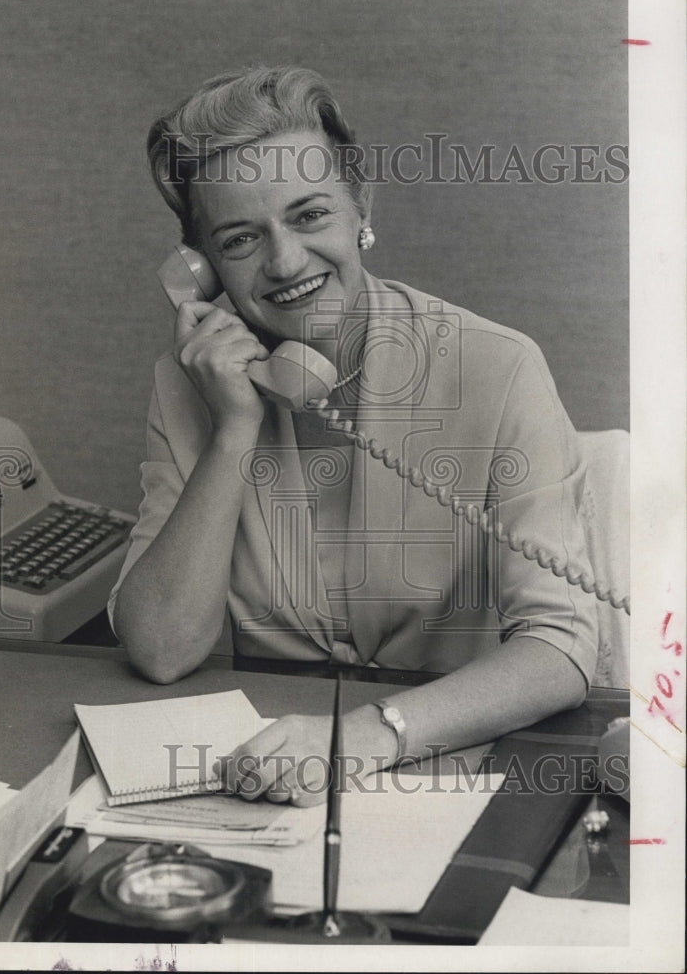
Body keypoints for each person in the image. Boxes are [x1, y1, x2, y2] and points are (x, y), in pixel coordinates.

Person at [110, 66, 599, 806]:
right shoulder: (190, 385)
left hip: (446, 772)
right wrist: (234, 429)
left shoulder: (497, 367)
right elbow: (160, 650)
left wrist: (368, 734)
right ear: (202, 269)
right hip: (266, 785)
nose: (284, 262)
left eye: (308, 216)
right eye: (242, 239)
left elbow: (561, 649)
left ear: (360, 204)